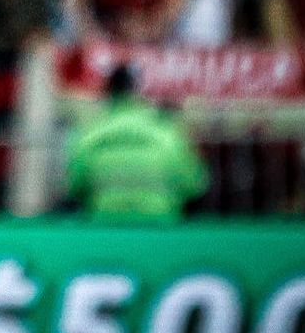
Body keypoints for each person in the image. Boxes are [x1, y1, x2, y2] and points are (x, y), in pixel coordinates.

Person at [66, 65, 208, 223]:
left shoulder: (89, 134)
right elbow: (194, 185)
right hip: (162, 228)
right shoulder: (168, 133)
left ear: (108, 91)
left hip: (104, 228)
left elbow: (74, 186)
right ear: (140, 91)